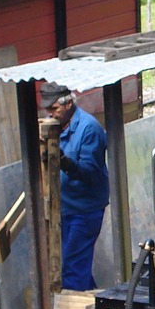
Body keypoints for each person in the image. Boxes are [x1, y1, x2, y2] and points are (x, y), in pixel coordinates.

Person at [39, 82, 109, 291]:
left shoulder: (89, 129)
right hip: (64, 208)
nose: (50, 114)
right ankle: (96, 306)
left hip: (85, 210)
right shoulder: (56, 126)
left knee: (72, 267)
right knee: (74, 264)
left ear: (68, 103)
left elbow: (90, 172)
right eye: (47, 110)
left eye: (54, 109)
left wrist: (64, 162)